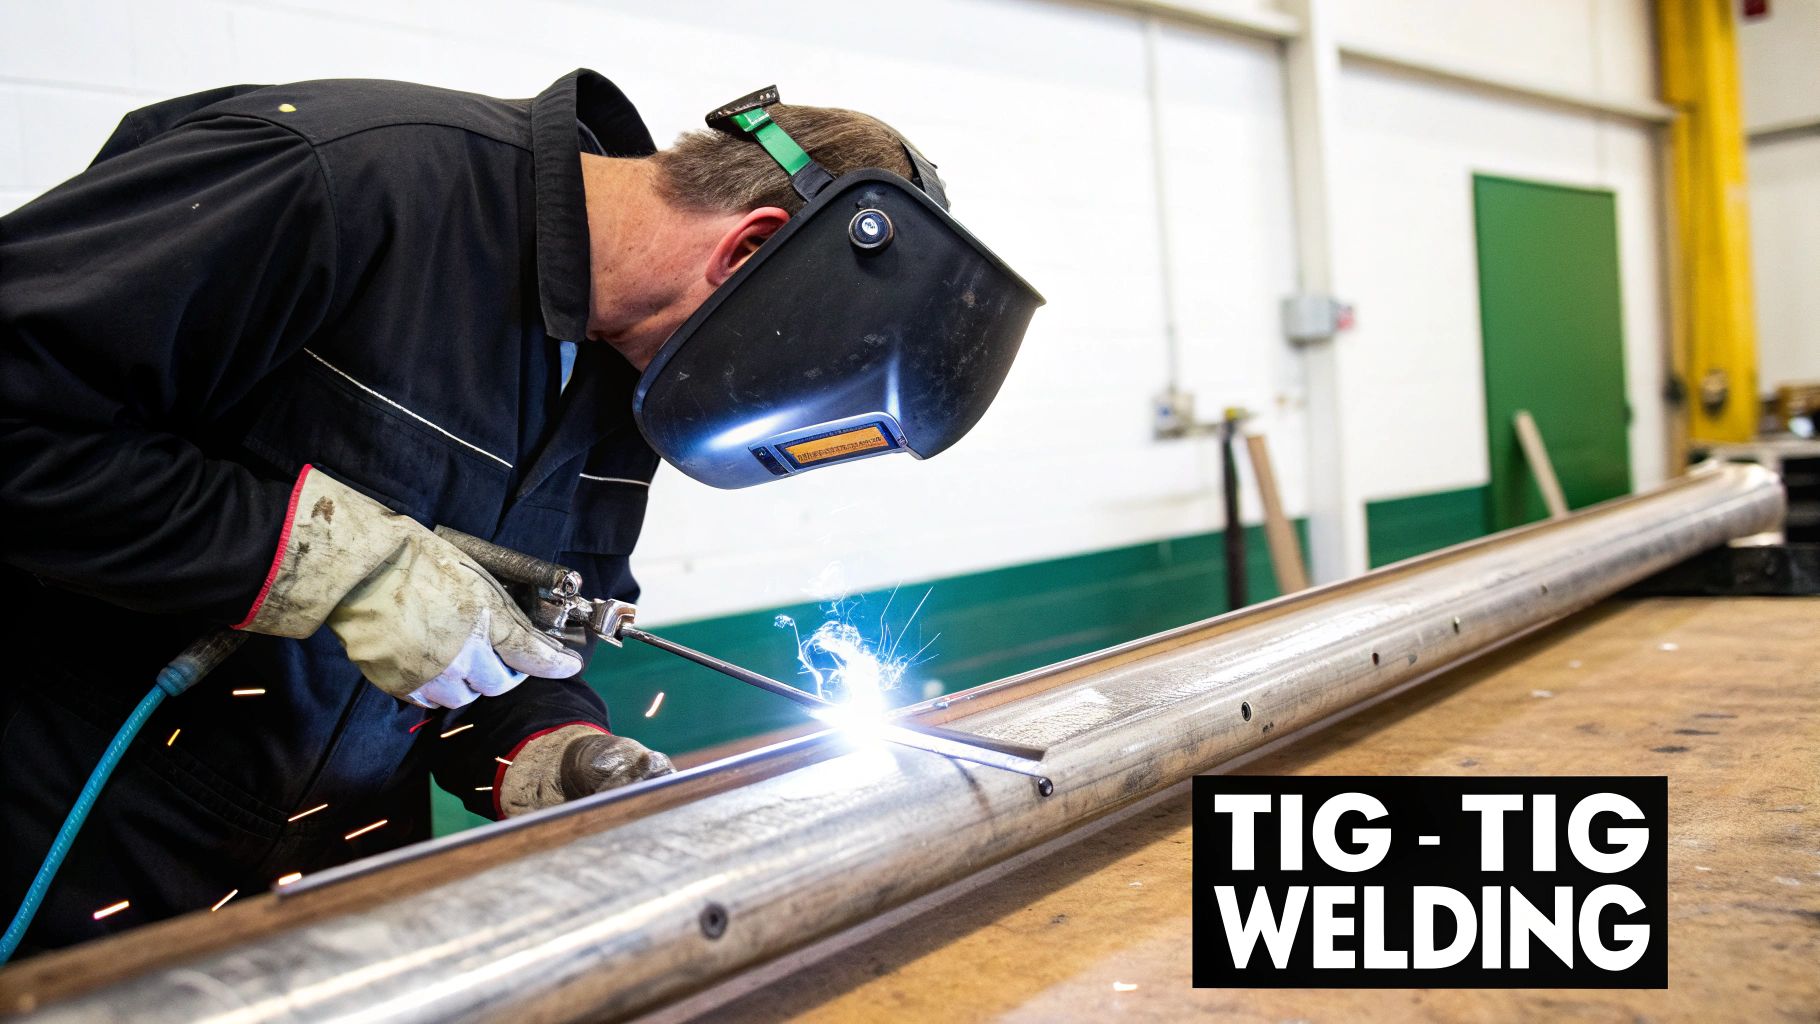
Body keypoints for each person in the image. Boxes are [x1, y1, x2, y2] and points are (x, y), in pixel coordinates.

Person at [0, 68, 1040, 953]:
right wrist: (325, 560)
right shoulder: (346, 182)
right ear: (742, 251)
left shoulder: (630, 374)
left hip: (327, 884)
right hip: (56, 846)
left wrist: (549, 751)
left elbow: (497, 639)